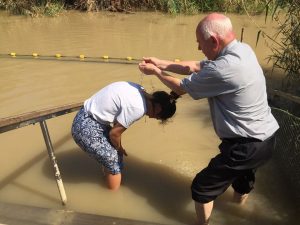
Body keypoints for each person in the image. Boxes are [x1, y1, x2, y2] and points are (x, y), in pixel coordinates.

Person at [138, 13, 279, 225]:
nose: (198, 48)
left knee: (201, 188)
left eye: (199, 43)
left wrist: (156, 72)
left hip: (245, 146)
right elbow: (194, 66)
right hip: (266, 139)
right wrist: (162, 63)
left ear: (213, 40)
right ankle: (238, 209)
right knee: (242, 179)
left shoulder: (223, 69)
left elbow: (181, 88)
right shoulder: (243, 50)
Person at [71, 81, 179, 191]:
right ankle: (112, 197)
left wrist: (118, 148)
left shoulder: (138, 88)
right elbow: (114, 133)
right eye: (159, 117)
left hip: (85, 115)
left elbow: (115, 126)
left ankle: (107, 178)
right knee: (114, 162)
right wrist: (119, 148)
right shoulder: (138, 108)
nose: (154, 118)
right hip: (84, 127)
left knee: (115, 155)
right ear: (159, 109)